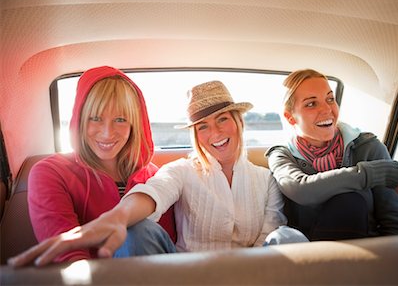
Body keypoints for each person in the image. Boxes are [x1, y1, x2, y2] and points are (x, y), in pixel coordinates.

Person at [9, 80, 288, 267]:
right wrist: (118, 217)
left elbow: (270, 236)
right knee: (137, 228)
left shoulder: (266, 179)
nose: (214, 133)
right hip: (181, 277)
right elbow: (155, 192)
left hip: (253, 276)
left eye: (223, 120)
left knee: (289, 238)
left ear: (239, 122)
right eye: (202, 126)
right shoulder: (180, 170)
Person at [25, 66, 176, 263]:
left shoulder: (155, 178)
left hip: (156, 276)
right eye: (95, 118)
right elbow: (67, 256)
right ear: (80, 119)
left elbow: (166, 245)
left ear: (134, 124)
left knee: (138, 230)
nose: (107, 133)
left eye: (120, 119)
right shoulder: (50, 173)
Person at [265, 69, 398, 241]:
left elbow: (394, 225)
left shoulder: (368, 147)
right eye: (311, 104)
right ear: (290, 117)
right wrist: (379, 173)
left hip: (369, 254)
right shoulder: (282, 155)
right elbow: (301, 189)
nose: (327, 109)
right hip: (311, 258)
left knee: (351, 201)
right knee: (348, 200)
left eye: (330, 99)